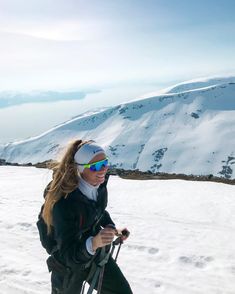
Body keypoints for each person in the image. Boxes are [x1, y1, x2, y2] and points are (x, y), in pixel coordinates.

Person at [42, 139, 133, 294]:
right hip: (66, 263)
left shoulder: (99, 187)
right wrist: (93, 243)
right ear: (80, 169)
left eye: (105, 163)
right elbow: (68, 253)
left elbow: (97, 211)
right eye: (96, 166)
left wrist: (112, 228)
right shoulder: (63, 203)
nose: (103, 170)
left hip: (93, 251)